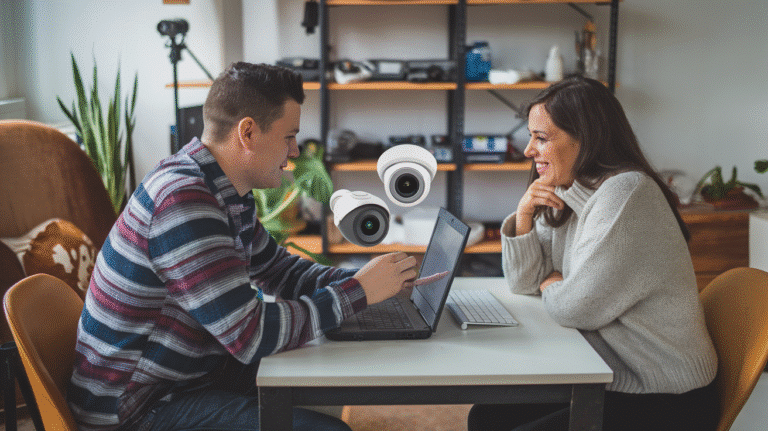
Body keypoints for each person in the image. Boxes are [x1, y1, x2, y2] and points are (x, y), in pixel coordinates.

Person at [68, 62, 426, 431]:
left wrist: (377, 281)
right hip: (139, 407)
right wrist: (360, 291)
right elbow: (250, 336)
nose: (295, 151)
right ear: (249, 133)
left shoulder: (222, 189)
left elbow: (279, 271)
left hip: (189, 374)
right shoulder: (183, 201)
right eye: (289, 136)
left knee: (323, 367)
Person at [467, 76, 719, 431]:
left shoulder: (626, 193)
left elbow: (575, 308)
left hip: (664, 396)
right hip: (610, 376)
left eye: (541, 138)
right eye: (531, 136)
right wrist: (524, 216)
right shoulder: (568, 190)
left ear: (585, 139)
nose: (528, 151)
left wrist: (552, 285)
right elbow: (523, 281)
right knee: (486, 416)